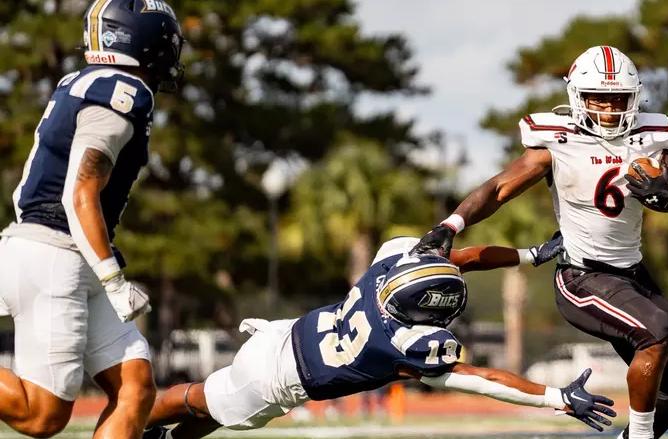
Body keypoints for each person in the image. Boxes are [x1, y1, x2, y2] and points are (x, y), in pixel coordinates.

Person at [411, 46, 668, 439]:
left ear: (634, 98)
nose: (608, 109)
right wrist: (451, 225)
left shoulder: (652, 141)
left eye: (617, 98)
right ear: (577, 98)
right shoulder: (557, 141)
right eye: (597, 99)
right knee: (655, 332)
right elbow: (500, 188)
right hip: (582, 276)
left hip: (633, 275)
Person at [143, 235, 616, 438]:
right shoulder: (408, 344)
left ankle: (137, 424)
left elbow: (458, 257)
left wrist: (530, 253)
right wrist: (556, 396)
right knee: (203, 403)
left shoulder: (389, 264)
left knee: (207, 402)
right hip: (277, 381)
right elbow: (483, 378)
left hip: (284, 337)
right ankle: (128, 423)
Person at [0, 0, 184, 437]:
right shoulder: (122, 91)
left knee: (134, 387)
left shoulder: (86, 82)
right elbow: (78, 194)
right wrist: (113, 280)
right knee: (40, 415)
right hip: (54, 253)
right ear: (142, 40)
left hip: (64, 252)